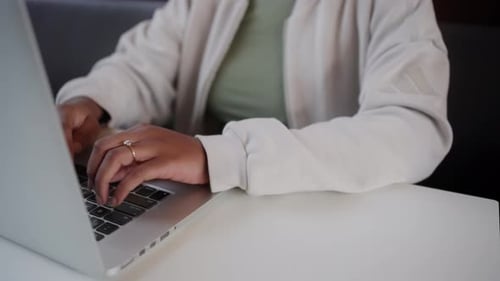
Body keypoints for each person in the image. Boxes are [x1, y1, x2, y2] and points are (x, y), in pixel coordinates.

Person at [56, 0, 452, 207]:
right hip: (208, 204)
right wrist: (91, 100)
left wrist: (221, 155)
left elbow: (412, 126)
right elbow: (144, 65)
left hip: (315, 210)